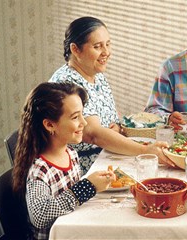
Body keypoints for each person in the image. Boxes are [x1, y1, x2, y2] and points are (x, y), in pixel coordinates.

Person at [49, 16, 174, 173]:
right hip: (80, 169)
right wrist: (145, 150)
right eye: (97, 46)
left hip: (106, 156)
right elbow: (93, 134)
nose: (106, 52)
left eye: (108, 44)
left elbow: (109, 123)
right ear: (75, 49)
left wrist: (115, 129)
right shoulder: (67, 84)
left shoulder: (96, 75)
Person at [12, 82, 116, 239]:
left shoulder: (71, 153)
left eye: (82, 114)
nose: (84, 122)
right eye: (75, 117)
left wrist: (95, 184)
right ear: (49, 124)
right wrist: (87, 187)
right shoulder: (40, 170)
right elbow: (39, 215)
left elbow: (71, 199)